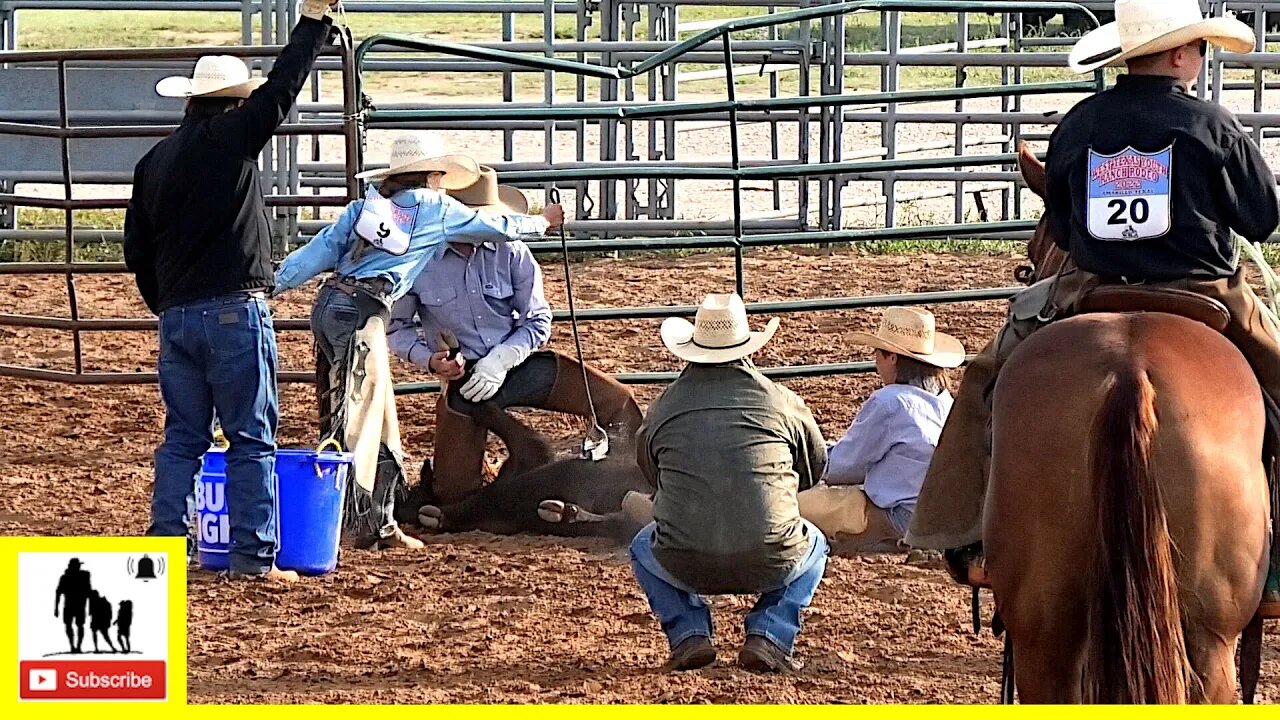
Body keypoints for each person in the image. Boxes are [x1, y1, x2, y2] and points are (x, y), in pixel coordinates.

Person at [907, 0, 1280, 612]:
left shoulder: (1080, 124)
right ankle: (1273, 561)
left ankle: (966, 532)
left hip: (1087, 288)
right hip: (1206, 295)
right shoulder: (1213, 125)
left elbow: (1061, 216)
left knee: (983, 380)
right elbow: (1262, 220)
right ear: (1181, 53)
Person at [123, 0, 342, 583]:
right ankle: (253, 557)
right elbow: (285, 85)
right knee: (251, 437)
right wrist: (315, 22)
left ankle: (163, 552)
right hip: (232, 311)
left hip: (176, 317)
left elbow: (137, 254)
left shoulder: (153, 162)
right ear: (235, 102)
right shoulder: (232, 139)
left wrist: (168, 304)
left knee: (182, 440)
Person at [273, 135, 564, 550]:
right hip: (363, 311)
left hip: (333, 305)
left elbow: (318, 252)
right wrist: (543, 222)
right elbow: (496, 225)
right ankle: (354, 523)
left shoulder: (365, 208)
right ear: (431, 176)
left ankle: (378, 519)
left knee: (358, 410)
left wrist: (272, 286)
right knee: (360, 418)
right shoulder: (436, 208)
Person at [388, 167, 643, 506]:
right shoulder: (418, 260)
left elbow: (537, 320)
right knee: (452, 492)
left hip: (518, 363)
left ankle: (625, 477)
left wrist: (501, 359)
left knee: (619, 402)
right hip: (463, 379)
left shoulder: (513, 250)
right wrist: (430, 361)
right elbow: (397, 328)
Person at [629, 293, 829, 673]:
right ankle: (769, 635)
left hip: (684, 558)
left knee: (642, 545)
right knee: (814, 544)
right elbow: (813, 468)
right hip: (772, 555)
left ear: (692, 348)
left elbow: (651, 472)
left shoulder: (663, 406)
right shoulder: (782, 400)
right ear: (747, 346)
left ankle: (689, 633)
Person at [800, 307, 959, 553]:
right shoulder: (944, 399)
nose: (876, 363)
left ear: (892, 357)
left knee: (790, 504)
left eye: (878, 354)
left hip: (900, 518)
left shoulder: (890, 401)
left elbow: (842, 467)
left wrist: (805, 457)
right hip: (942, 517)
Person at [54, 558, 91, 654]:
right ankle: (74, 646)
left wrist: (56, 608)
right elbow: (58, 593)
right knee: (72, 625)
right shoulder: (67, 577)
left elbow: (88, 591)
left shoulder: (84, 575)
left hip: (77, 605)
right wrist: (56, 608)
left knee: (77, 625)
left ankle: (77, 646)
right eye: (78, 565)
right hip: (73, 605)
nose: (79, 566)